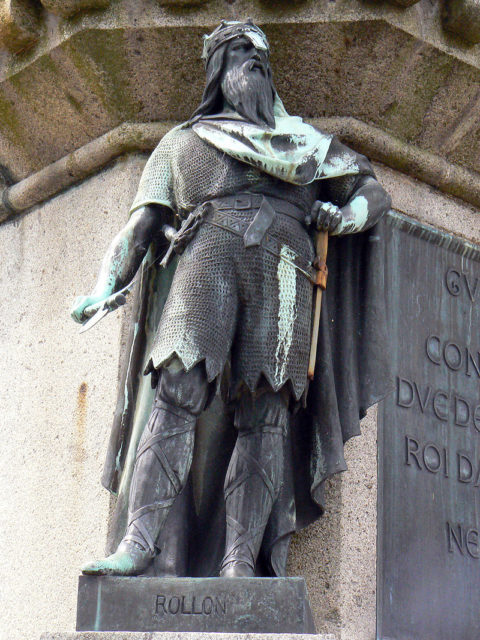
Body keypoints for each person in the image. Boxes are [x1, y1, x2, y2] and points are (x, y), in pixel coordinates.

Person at [71, 20, 391, 578]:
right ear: (219, 70)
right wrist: (105, 285)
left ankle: (239, 561)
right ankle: (139, 542)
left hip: (285, 269)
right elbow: (142, 226)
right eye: (241, 53)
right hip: (206, 260)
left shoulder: (308, 146)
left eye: (260, 55)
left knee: (266, 411)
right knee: (176, 387)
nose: (255, 62)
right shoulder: (183, 143)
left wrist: (342, 217)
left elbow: (372, 192)